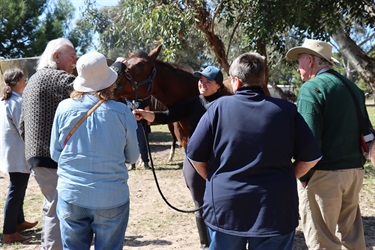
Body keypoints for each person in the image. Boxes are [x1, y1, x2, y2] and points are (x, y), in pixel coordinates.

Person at [186, 52, 322, 250]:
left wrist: (213, 178)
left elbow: (194, 156)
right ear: (261, 79)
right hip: (275, 208)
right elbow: (311, 157)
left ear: (236, 82)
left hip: (225, 208)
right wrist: (288, 175)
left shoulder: (216, 108)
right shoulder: (287, 110)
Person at [50, 51, 139, 250]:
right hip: (111, 196)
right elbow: (133, 156)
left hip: (72, 193)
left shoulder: (64, 108)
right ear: (109, 81)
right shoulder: (122, 112)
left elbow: (55, 154)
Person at [286, 39, 368, 249]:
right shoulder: (351, 87)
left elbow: (308, 142)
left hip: (323, 176)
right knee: (352, 238)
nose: (298, 67)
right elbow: (366, 132)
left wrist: (302, 177)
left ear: (311, 61)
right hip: (354, 173)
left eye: (300, 61)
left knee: (322, 242)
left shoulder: (311, 88)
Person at [134, 65, 227, 249]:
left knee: (223, 204)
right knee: (199, 204)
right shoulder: (193, 102)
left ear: (218, 86)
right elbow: (167, 116)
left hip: (221, 161)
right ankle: (205, 244)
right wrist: (146, 115)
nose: (203, 84)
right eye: (201, 80)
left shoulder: (227, 104)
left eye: (208, 81)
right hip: (195, 161)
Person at [19, 37, 77, 250]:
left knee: (51, 205)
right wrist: (115, 69)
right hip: (50, 156)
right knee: (57, 208)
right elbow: (87, 87)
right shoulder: (55, 77)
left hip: (36, 156)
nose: (75, 62)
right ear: (56, 56)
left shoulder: (33, 80)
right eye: (72, 57)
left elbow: (22, 123)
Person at [0, 68, 38, 244]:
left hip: (12, 151)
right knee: (16, 189)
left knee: (19, 187)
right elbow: (23, 128)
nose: (26, 81)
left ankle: (18, 222)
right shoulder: (16, 103)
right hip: (18, 151)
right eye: (24, 79)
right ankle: (9, 232)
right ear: (19, 80)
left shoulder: (7, 101)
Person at [126, 98, 151, 170]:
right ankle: (132, 164)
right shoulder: (125, 100)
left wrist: (148, 125)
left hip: (141, 125)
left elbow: (147, 109)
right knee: (130, 144)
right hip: (129, 125)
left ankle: (146, 163)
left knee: (142, 144)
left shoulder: (141, 99)